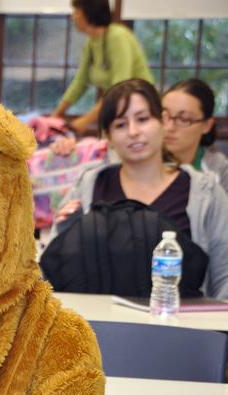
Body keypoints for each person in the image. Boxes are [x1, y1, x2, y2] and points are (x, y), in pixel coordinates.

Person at [49, 78, 228, 300]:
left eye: (142, 119)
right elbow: (53, 271)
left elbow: (224, 279)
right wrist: (68, 228)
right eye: (120, 125)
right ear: (109, 136)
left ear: (162, 121)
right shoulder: (89, 184)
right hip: (96, 330)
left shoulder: (205, 193)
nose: (133, 132)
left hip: (180, 330)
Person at [52, 0, 153, 135]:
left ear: (89, 13)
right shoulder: (91, 42)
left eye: (76, 12)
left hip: (139, 111)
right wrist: (55, 115)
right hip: (115, 109)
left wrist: (85, 121)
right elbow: (80, 82)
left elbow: (119, 88)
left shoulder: (118, 36)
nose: (73, 17)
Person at [162, 78, 228, 193]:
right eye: (164, 116)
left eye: (184, 119)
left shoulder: (219, 168)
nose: (169, 127)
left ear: (207, 125)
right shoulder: (145, 160)